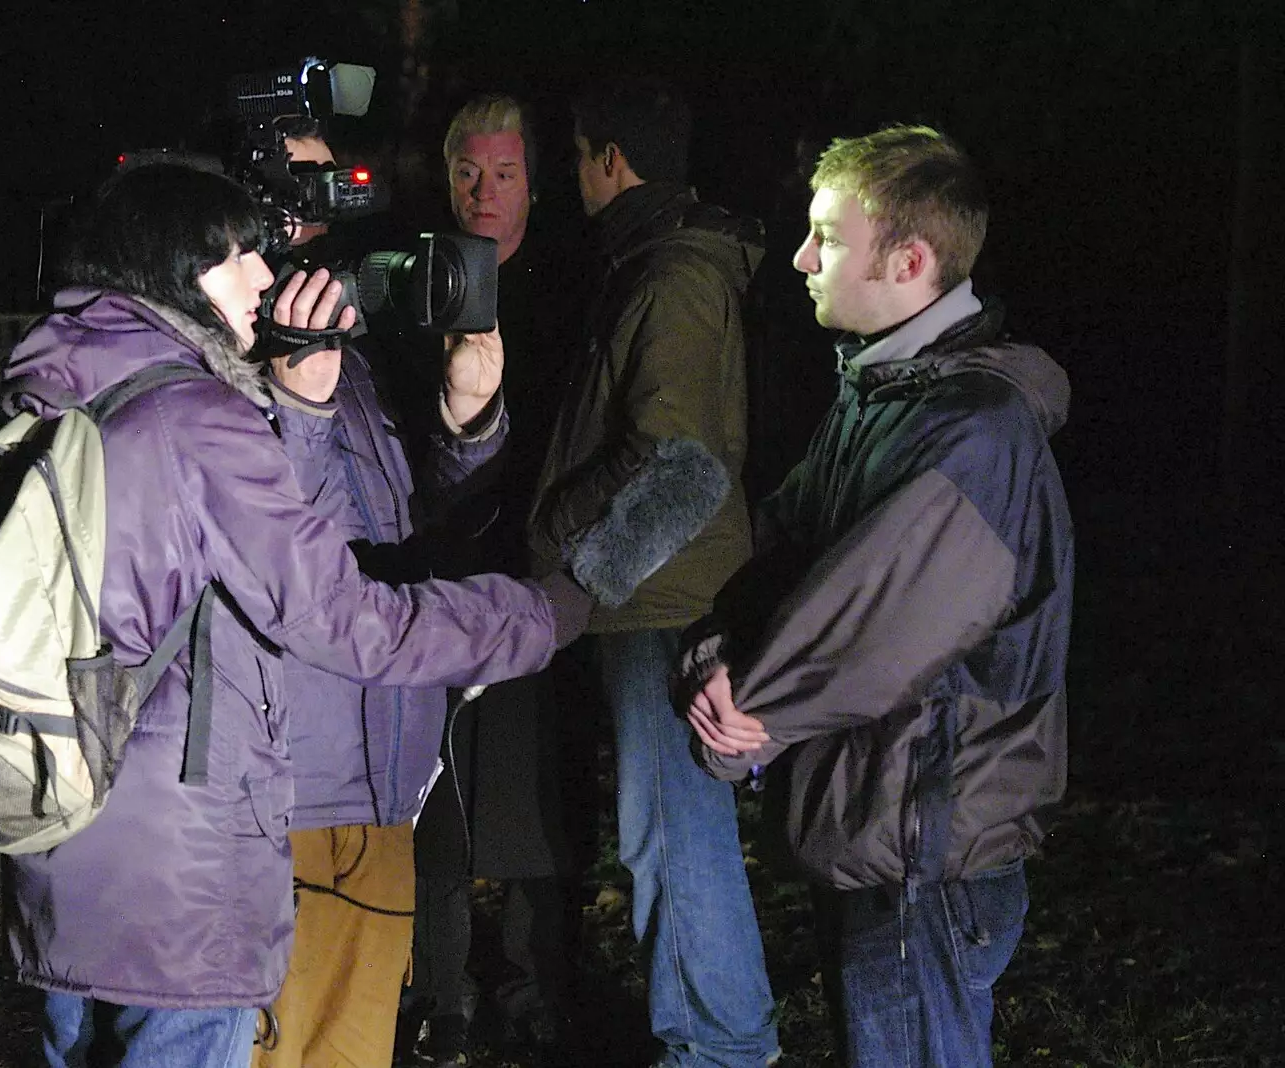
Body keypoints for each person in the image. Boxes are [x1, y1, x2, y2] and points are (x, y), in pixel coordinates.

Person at [0, 159, 589, 1068]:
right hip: (193, 868)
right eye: (240, 254)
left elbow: (395, 526)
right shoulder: (194, 409)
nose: (268, 273)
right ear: (176, 270)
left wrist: (464, 415)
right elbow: (342, 617)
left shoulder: (69, 388)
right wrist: (539, 617)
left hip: (75, 844)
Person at [679, 125, 1073, 1068]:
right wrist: (714, 653)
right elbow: (774, 544)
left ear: (910, 260)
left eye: (827, 236)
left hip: (923, 852)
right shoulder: (887, 395)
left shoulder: (972, 433)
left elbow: (868, 625)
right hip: (881, 826)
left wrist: (748, 708)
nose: (803, 257)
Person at [524, 79, 781, 1068]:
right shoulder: (654, 260)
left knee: (669, 836)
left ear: (608, 159)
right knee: (664, 832)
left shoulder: (669, 275)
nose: (570, 176)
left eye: (577, 154)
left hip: (657, 604)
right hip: (654, 600)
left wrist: (570, 555)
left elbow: (680, 463)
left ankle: (720, 1047)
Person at [250, 117, 512, 1068]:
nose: (322, 212)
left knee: (354, 1047)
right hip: (286, 788)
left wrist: (471, 415)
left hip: (388, 769)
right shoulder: (218, 346)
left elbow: (418, 522)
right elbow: (271, 549)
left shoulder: (350, 347)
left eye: (331, 187)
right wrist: (297, 403)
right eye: (296, 186)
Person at [403, 92, 587, 1068]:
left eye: (504, 174)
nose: (485, 192)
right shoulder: (419, 280)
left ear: (532, 181)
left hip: (531, 575)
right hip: (433, 580)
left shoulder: (566, 290)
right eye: (468, 172)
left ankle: (530, 978)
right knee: (434, 785)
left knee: (527, 782)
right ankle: (443, 990)